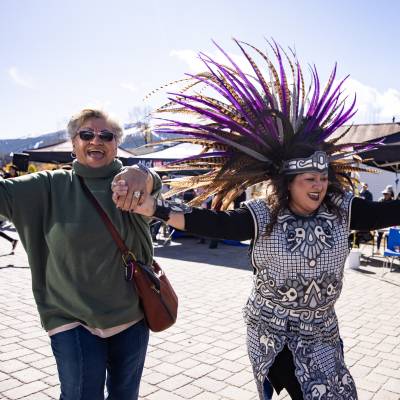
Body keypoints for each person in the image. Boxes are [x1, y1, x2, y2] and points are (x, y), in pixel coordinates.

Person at [111, 40, 400, 399]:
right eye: (309, 179)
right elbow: (212, 224)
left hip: (321, 332)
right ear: (288, 183)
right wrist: (155, 209)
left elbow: (390, 212)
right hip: (272, 330)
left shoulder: (343, 209)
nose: (319, 186)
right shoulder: (262, 215)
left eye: (323, 178)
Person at [0, 108, 161, 400]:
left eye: (106, 135)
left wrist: (145, 173)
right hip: (71, 316)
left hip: (131, 314)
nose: (95, 141)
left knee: (125, 395)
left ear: (116, 143)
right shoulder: (49, 186)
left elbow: (153, 186)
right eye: (86, 134)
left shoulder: (130, 183)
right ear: (74, 143)